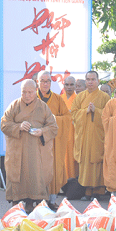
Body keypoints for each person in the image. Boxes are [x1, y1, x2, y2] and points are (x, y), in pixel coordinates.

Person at [1, 79, 58, 213]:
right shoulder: (14, 105)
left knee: (35, 175)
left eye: (30, 92)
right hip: (17, 149)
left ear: (36, 91)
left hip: (35, 150)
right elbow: (4, 124)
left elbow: (53, 127)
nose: (27, 95)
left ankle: (33, 202)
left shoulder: (43, 107)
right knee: (17, 174)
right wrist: (18, 126)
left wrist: (42, 131)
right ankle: (16, 201)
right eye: (24, 92)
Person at [71, 71, 111, 201]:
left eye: (93, 79)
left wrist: (97, 111)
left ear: (98, 81)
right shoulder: (80, 96)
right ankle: (87, 191)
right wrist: (85, 111)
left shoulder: (104, 97)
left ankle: (98, 191)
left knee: (97, 161)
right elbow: (74, 114)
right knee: (86, 162)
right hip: (84, 137)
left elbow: (109, 116)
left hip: (98, 136)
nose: (90, 82)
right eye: (88, 79)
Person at [36, 71, 70, 209]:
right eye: (42, 81)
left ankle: (52, 200)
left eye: (48, 81)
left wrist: (55, 120)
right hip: (36, 141)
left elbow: (67, 117)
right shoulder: (32, 98)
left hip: (53, 142)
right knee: (36, 169)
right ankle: (35, 200)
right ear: (37, 82)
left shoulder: (57, 99)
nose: (45, 83)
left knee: (53, 168)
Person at [60, 76, 78, 180]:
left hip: (74, 134)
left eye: (72, 85)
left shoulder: (79, 99)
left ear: (75, 86)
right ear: (64, 85)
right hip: (61, 134)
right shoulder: (59, 99)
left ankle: (72, 185)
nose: (69, 87)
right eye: (67, 84)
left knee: (72, 159)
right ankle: (61, 184)